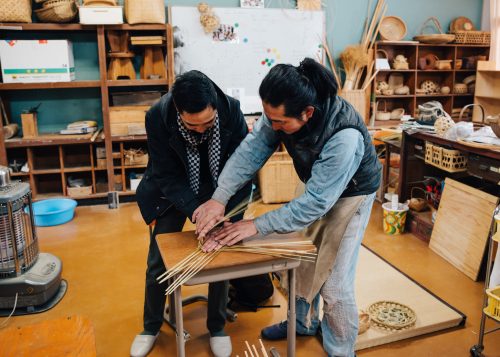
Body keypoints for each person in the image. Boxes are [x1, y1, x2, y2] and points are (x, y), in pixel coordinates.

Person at [194, 58, 382, 357]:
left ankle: (341, 351)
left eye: (279, 122)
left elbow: (316, 204)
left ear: (307, 113)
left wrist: (256, 225)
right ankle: (303, 324)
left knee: (334, 285)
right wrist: (220, 197)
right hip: (317, 184)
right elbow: (251, 151)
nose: (273, 126)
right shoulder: (282, 111)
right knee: (301, 263)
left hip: (352, 195)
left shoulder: (344, 137)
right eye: (271, 119)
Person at [131, 70, 254, 357]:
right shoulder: (157, 116)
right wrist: (197, 211)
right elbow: (166, 174)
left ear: (214, 107)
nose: (201, 129)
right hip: (171, 191)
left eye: (208, 123)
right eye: (192, 124)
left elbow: (242, 165)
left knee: (219, 257)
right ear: (178, 111)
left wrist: (221, 205)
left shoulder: (231, 110)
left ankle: (217, 326)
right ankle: (150, 326)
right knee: (159, 261)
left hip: (221, 188)